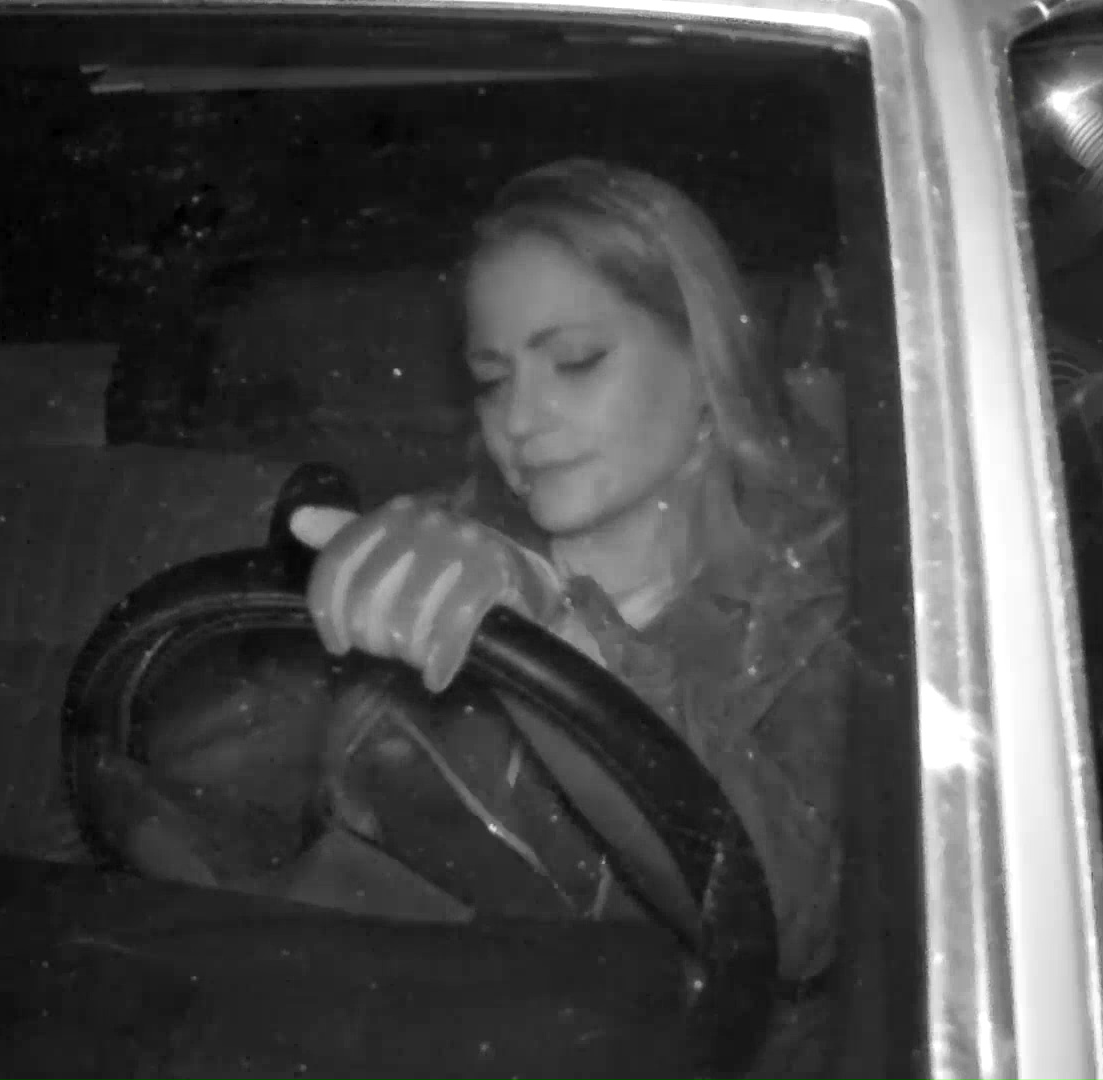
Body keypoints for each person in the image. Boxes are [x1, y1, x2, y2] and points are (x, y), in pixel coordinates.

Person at [117, 158, 852, 983]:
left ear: (707, 364)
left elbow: (795, 928)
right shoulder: (440, 544)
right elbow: (228, 796)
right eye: (492, 380)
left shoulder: (811, 608)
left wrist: (546, 630)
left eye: (576, 360)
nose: (521, 419)